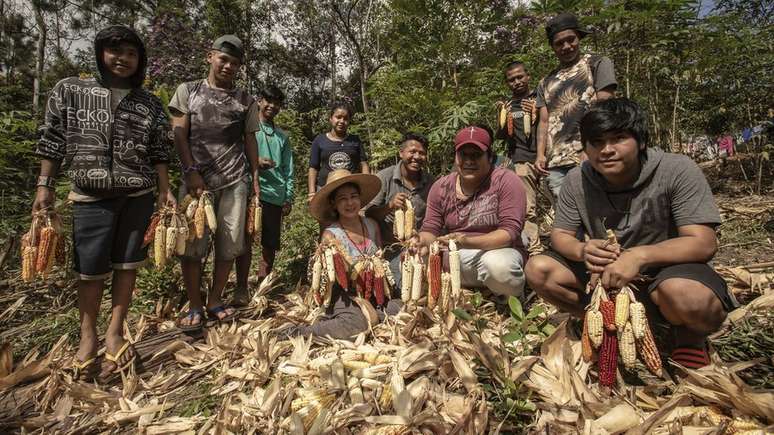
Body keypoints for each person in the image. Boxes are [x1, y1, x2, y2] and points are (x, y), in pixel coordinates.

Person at [525, 98, 736, 369]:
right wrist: (582, 250)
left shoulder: (676, 170)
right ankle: (606, 322)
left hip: (668, 272)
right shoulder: (577, 180)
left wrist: (640, 256)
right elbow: (561, 235)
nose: (607, 150)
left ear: (641, 141)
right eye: (597, 142)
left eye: (619, 138)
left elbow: (703, 243)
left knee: (688, 296)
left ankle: (687, 338)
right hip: (607, 277)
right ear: (585, 148)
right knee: (539, 268)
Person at [32, 25, 174, 380]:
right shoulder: (72, 91)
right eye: (115, 51)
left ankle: (115, 332)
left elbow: (159, 152)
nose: (122, 59)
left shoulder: (149, 104)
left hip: (137, 194)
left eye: (130, 53)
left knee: (127, 265)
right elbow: (53, 140)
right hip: (90, 193)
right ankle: (87, 337)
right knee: (90, 269)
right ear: (100, 54)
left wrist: (165, 190)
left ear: (139, 60)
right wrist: (44, 185)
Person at [168, 35, 258, 331]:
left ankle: (215, 300)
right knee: (192, 247)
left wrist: (254, 178)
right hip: (197, 184)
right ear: (211, 57)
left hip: (234, 180)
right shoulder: (189, 91)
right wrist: (190, 170)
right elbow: (179, 134)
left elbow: (249, 140)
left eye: (235, 62)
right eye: (224, 59)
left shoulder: (245, 101)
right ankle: (195, 304)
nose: (229, 66)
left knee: (230, 246)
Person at [415, 126, 528, 299]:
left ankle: (507, 299)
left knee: (498, 265)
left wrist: (465, 241)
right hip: (457, 255)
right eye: (463, 155)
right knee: (414, 260)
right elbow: (431, 229)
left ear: (490, 156)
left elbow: (509, 233)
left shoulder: (506, 181)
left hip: (498, 250)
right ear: (455, 157)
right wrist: (421, 241)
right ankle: (458, 297)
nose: (469, 161)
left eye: (476, 155)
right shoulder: (441, 186)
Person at [289, 169, 400, 339]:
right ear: (333, 203)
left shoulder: (371, 225)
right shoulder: (331, 234)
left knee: (398, 308)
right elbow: (329, 277)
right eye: (342, 199)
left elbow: (380, 260)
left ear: (360, 198)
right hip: (343, 293)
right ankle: (300, 332)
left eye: (354, 196)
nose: (350, 203)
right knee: (356, 325)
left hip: (370, 289)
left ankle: (369, 316)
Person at [535, 12, 617, 197]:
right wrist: (540, 155)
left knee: (598, 213)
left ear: (578, 37)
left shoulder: (597, 63)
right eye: (559, 43)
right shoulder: (545, 82)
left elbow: (606, 109)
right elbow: (544, 122)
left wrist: (592, 148)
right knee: (567, 219)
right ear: (552, 47)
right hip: (556, 161)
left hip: (591, 155)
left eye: (570, 39)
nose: (566, 46)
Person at [233, 85, 293, 306]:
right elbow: (236, 154)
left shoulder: (282, 137)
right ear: (259, 101)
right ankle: (240, 287)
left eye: (277, 103)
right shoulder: (248, 129)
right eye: (268, 101)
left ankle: (263, 287)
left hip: (274, 195)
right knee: (245, 240)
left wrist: (288, 196)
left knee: (269, 244)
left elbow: (288, 169)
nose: (272, 106)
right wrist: (256, 162)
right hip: (250, 192)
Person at [365, 132, 434, 289]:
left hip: (420, 245)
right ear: (401, 152)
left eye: (421, 153)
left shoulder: (430, 182)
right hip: (392, 247)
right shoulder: (384, 177)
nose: (416, 157)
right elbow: (369, 213)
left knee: (429, 280)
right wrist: (389, 206)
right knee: (403, 284)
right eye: (412, 151)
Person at [496, 60, 542, 254]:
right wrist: (502, 116)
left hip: (549, 158)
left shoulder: (541, 98)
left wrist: (536, 112)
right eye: (511, 80)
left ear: (528, 76)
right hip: (521, 159)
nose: (516, 82)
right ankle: (534, 249)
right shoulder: (508, 105)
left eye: (520, 77)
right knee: (528, 207)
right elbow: (501, 136)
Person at [307, 101, 369, 202]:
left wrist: (365, 187)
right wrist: (311, 193)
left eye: (345, 118)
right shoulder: (319, 140)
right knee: (325, 216)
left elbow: (363, 164)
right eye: (338, 117)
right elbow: (313, 168)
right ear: (331, 119)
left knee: (350, 216)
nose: (341, 121)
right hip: (325, 189)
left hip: (350, 190)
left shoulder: (355, 140)